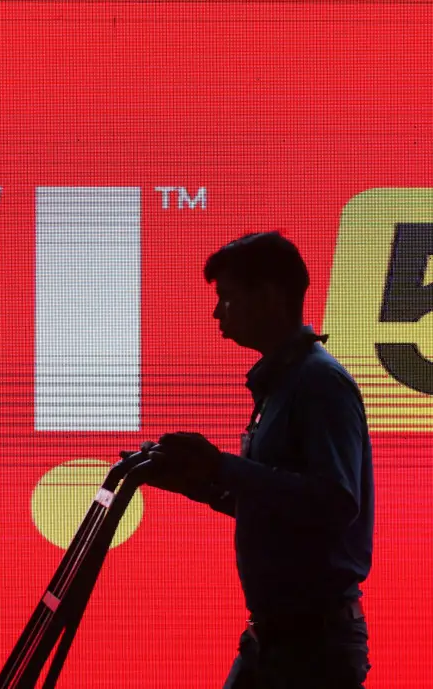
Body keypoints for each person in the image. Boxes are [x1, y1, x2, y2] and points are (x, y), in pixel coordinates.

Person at [138, 231, 374, 688]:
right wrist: (200, 484)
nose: (217, 312)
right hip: (280, 641)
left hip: (310, 653)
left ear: (267, 297)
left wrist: (222, 467)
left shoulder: (319, 384)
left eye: (227, 298)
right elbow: (284, 505)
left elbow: (333, 502)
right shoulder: (285, 383)